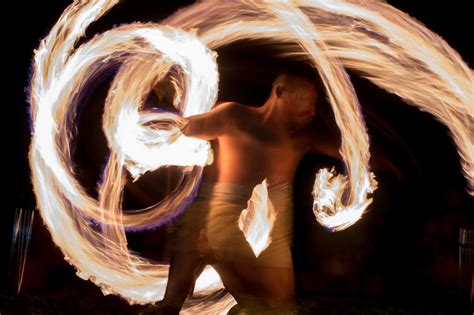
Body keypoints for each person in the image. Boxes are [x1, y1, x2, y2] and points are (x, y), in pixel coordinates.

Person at [141, 68, 397, 314]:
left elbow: (349, 151)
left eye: (315, 104)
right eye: (305, 99)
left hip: (241, 224)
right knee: (193, 303)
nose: (312, 110)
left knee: (273, 303)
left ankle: (210, 255)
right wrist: (161, 103)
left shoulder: (299, 139)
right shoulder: (235, 117)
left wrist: (388, 161)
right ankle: (208, 252)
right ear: (280, 91)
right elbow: (182, 128)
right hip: (204, 217)